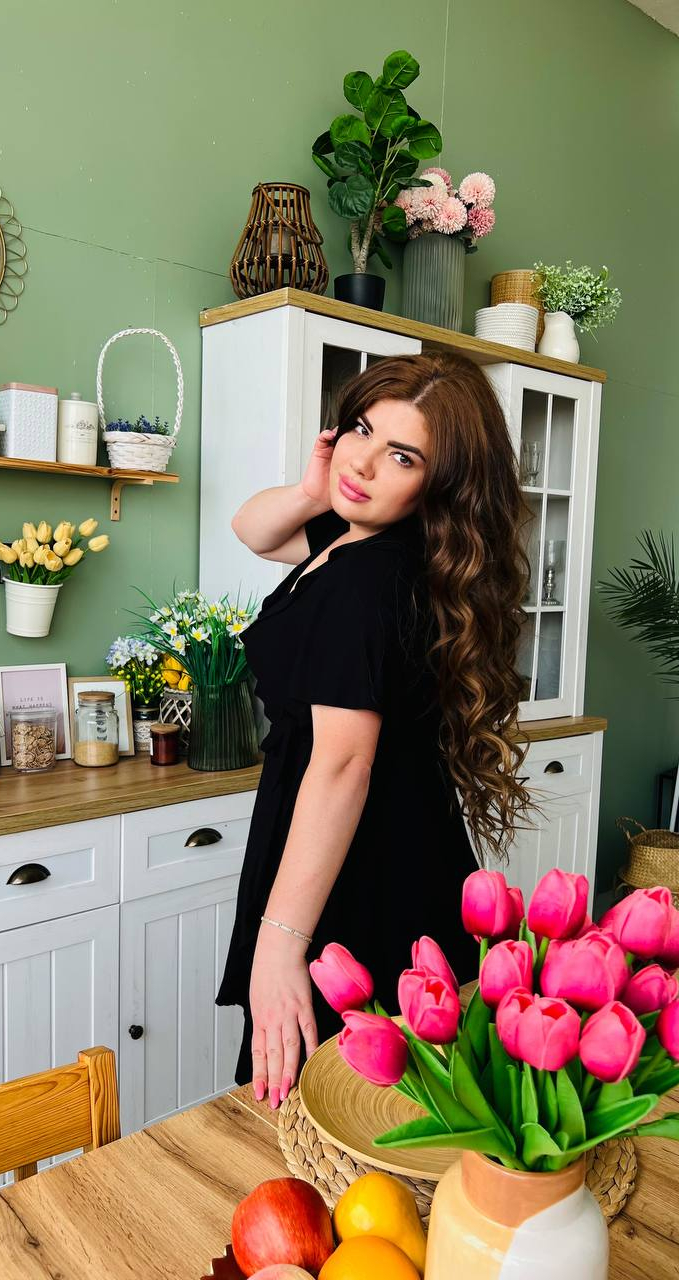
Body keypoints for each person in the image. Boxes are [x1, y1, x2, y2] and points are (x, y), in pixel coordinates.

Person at [215, 350, 533, 1109]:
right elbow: (252, 529)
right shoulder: (370, 543)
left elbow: (342, 766)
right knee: (400, 1104)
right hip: (396, 845)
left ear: (440, 483)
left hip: (355, 869)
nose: (360, 462)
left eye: (401, 455)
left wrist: (280, 942)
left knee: (330, 1106)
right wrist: (309, 489)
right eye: (360, 429)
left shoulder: (364, 580)